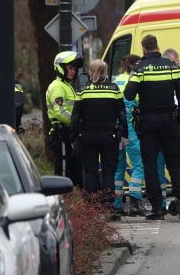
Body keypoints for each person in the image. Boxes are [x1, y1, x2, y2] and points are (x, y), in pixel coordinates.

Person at [124, 35, 180, 220]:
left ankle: (157, 208)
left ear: (143, 50)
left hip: (148, 122)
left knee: (150, 165)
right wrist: (179, 118)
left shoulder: (139, 68)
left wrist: (135, 76)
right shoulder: (173, 66)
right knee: (176, 163)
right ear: (158, 47)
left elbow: (129, 95)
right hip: (170, 121)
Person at [71, 59, 127, 217]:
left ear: (91, 71)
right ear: (105, 72)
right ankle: (109, 207)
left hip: (88, 136)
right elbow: (122, 114)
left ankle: (93, 208)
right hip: (109, 136)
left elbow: (75, 116)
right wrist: (125, 135)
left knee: (90, 171)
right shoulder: (113, 89)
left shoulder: (83, 90)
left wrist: (73, 136)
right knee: (109, 172)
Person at [158, 48, 180, 210]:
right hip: (173, 127)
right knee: (178, 165)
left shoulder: (178, 75)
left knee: (175, 165)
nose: (178, 65)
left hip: (162, 126)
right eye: (176, 62)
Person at [113, 54, 146, 216]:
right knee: (139, 165)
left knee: (118, 167)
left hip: (116, 128)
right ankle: (134, 202)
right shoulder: (135, 80)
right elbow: (138, 103)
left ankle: (116, 205)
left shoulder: (116, 80)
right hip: (130, 127)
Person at [46, 51, 83, 187]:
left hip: (68, 133)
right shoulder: (57, 87)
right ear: (61, 67)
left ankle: (72, 203)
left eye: (74, 68)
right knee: (63, 170)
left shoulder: (67, 85)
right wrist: (77, 122)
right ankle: (62, 201)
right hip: (61, 135)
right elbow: (61, 112)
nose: (73, 71)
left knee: (72, 170)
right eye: (70, 68)